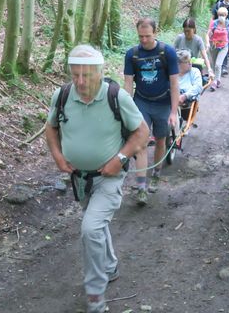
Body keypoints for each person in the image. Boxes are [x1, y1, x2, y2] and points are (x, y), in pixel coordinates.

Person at [45, 45, 149, 313]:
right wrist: (57, 155)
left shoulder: (117, 97)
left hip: (109, 179)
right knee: (96, 226)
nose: (80, 82)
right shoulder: (63, 95)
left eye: (86, 75)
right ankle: (110, 265)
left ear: (100, 74)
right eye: (75, 75)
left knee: (90, 228)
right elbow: (51, 127)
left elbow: (142, 133)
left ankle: (95, 297)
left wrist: (121, 158)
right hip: (80, 179)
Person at [124, 17, 180, 205]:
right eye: (140, 36)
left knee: (161, 140)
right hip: (141, 101)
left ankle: (156, 173)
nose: (144, 40)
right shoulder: (132, 54)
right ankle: (141, 187)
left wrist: (173, 112)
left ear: (155, 33)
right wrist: (126, 110)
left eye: (147, 36)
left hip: (163, 103)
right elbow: (128, 83)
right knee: (140, 141)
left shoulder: (167, 52)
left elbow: (174, 82)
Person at [207, 7, 229, 91]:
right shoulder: (214, 23)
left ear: (226, 15)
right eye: (219, 15)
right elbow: (207, 34)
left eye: (223, 15)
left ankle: (214, 82)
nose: (221, 16)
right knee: (214, 64)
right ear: (217, 15)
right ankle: (217, 79)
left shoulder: (228, 24)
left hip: (224, 46)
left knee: (218, 65)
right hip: (214, 46)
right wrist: (207, 43)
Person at [176, 49, 203, 117]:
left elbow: (198, 87)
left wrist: (184, 96)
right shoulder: (172, 74)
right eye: (187, 62)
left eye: (190, 60)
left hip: (188, 106)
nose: (190, 63)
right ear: (178, 64)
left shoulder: (194, 71)